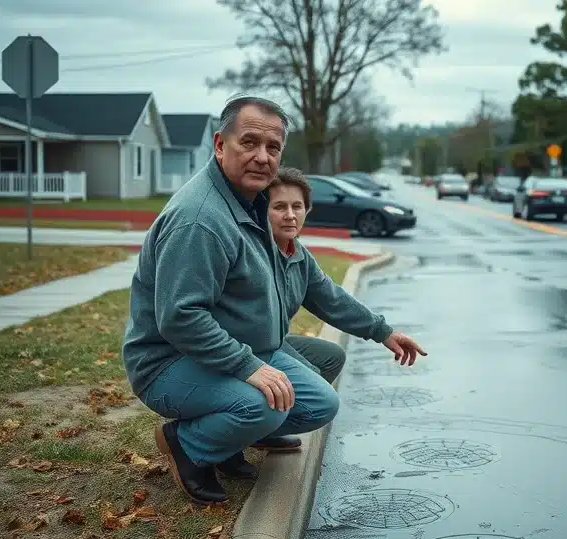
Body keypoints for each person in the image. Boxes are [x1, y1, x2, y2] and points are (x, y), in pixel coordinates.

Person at [121, 95, 388, 505]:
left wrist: (381, 331)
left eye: (273, 148)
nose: (262, 157)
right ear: (219, 145)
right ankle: (186, 444)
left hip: (235, 345)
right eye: (249, 143)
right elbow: (179, 318)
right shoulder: (201, 221)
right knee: (267, 406)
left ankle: (227, 443)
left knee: (320, 403)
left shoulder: (255, 202)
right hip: (167, 361)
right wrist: (249, 367)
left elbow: (320, 289)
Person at [266, 167, 426, 387]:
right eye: (279, 207)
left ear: (307, 210)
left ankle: (296, 414)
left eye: (297, 206)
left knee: (331, 357)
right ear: (262, 211)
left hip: (275, 342)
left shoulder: (299, 256)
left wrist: (384, 333)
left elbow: (332, 299)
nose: (290, 215)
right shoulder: (257, 254)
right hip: (250, 349)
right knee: (314, 385)